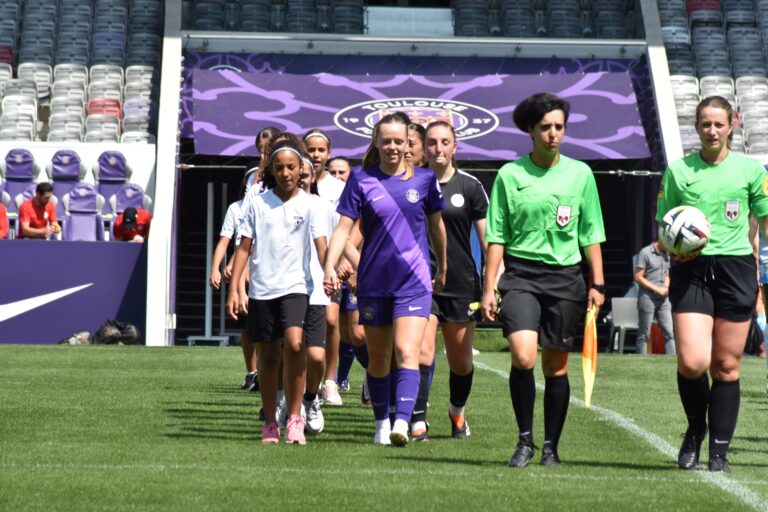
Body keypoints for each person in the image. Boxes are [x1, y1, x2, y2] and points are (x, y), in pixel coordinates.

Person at [482, 92, 606, 468]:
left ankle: (551, 447)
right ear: (531, 132)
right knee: (522, 355)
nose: (553, 134)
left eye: (559, 127)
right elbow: (497, 235)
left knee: (555, 368)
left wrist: (597, 284)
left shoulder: (581, 174)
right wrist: (489, 286)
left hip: (566, 279)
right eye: (545, 127)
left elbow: (590, 232)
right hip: (520, 276)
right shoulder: (510, 174)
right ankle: (524, 441)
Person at [656, 95, 768, 472]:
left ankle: (719, 453)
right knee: (691, 362)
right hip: (691, 270)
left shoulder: (751, 170)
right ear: (696, 126)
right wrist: (674, 250)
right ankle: (694, 429)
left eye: (719, 124)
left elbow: (765, 221)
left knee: (725, 366)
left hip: (736, 269)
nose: (712, 130)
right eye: (705, 124)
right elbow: (662, 225)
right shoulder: (678, 171)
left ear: (733, 123)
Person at [323, 113, 447, 446]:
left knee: (408, 352)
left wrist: (443, 266)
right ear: (376, 143)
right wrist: (329, 268)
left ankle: (402, 424)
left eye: (399, 141)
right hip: (374, 283)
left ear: (409, 143)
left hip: (414, 282)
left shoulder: (424, 180)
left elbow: (437, 227)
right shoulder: (361, 179)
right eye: (386, 141)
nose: (393, 147)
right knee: (378, 358)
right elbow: (342, 230)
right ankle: (381, 422)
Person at [227, 139, 327, 445]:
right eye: (279, 167)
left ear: (301, 171)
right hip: (261, 290)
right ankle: (271, 422)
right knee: (268, 357)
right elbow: (244, 248)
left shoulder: (312, 205)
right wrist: (235, 288)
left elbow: (323, 246)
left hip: (297, 287)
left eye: (291, 167)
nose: (286, 173)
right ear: (271, 170)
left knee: (296, 345)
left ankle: (295, 418)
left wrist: (331, 271)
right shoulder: (257, 204)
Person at [410, 120, 488, 442]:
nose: (438, 148)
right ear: (423, 147)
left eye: (445, 142)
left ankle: (457, 411)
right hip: (420, 281)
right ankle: (418, 421)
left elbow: (489, 242)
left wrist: (496, 280)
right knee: (422, 351)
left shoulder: (470, 187)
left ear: (454, 147)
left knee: (460, 362)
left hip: (461, 284)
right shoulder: (411, 183)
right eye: (432, 142)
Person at [304, 128, 347, 406]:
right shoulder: (294, 184)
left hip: (330, 264)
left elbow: (349, 226)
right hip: (300, 265)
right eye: (311, 149)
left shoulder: (339, 188)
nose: (316, 155)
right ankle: (306, 381)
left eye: (321, 150)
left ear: (328, 154)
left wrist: (343, 260)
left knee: (332, 320)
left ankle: (330, 380)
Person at [210, 174, 257, 391]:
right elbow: (227, 241)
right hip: (245, 276)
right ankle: (252, 372)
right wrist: (216, 268)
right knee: (247, 326)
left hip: (266, 274)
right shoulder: (236, 209)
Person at [633, 240, 675, 355]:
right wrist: (657, 289)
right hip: (647, 298)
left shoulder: (667, 254)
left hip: (663, 299)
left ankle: (671, 364)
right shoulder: (645, 252)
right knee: (644, 334)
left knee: (669, 333)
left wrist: (666, 286)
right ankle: (640, 364)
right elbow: (637, 277)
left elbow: (667, 274)